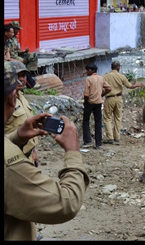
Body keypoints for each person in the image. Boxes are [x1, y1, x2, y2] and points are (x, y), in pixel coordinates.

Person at [4, 61, 89, 240]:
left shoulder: (23, 101)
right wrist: (73, 152)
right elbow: (66, 203)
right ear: (12, 98)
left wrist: (17, 137)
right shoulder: (9, 164)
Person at [4, 61, 40, 166]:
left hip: (28, 155)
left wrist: (33, 152)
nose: (21, 79)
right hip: (12, 157)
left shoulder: (21, 97)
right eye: (17, 76)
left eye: (23, 76)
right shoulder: (6, 102)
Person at [103, 60, 144, 145]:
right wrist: (137, 85)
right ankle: (117, 137)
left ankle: (109, 137)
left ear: (111, 67)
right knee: (117, 118)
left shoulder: (105, 76)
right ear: (118, 68)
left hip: (109, 98)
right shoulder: (121, 76)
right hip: (118, 98)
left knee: (107, 118)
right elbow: (130, 86)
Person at [82, 63, 111, 150]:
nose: (87, 71)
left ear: (92, 70)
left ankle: (88, 141)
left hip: (90, 102)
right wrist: (101, 95)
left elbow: (86, 94)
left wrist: (85, 101)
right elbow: (109, 88)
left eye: (88, 70)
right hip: (98, 103)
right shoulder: (101, 78)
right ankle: (98, 143)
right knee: (98, 123)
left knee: (85, 121)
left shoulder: (88, 79)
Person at [8, 21, 39, 88]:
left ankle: (29, 74)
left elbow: (16, 50)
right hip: (12, 57)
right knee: (21, 63)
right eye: (17, 29)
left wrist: (24, 51)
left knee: (33, 55)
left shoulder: (14, 38)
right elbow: (9, 54)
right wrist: (21, 59)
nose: (18, 31)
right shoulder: (8, 39)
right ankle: (28, 80)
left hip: (16, 55)